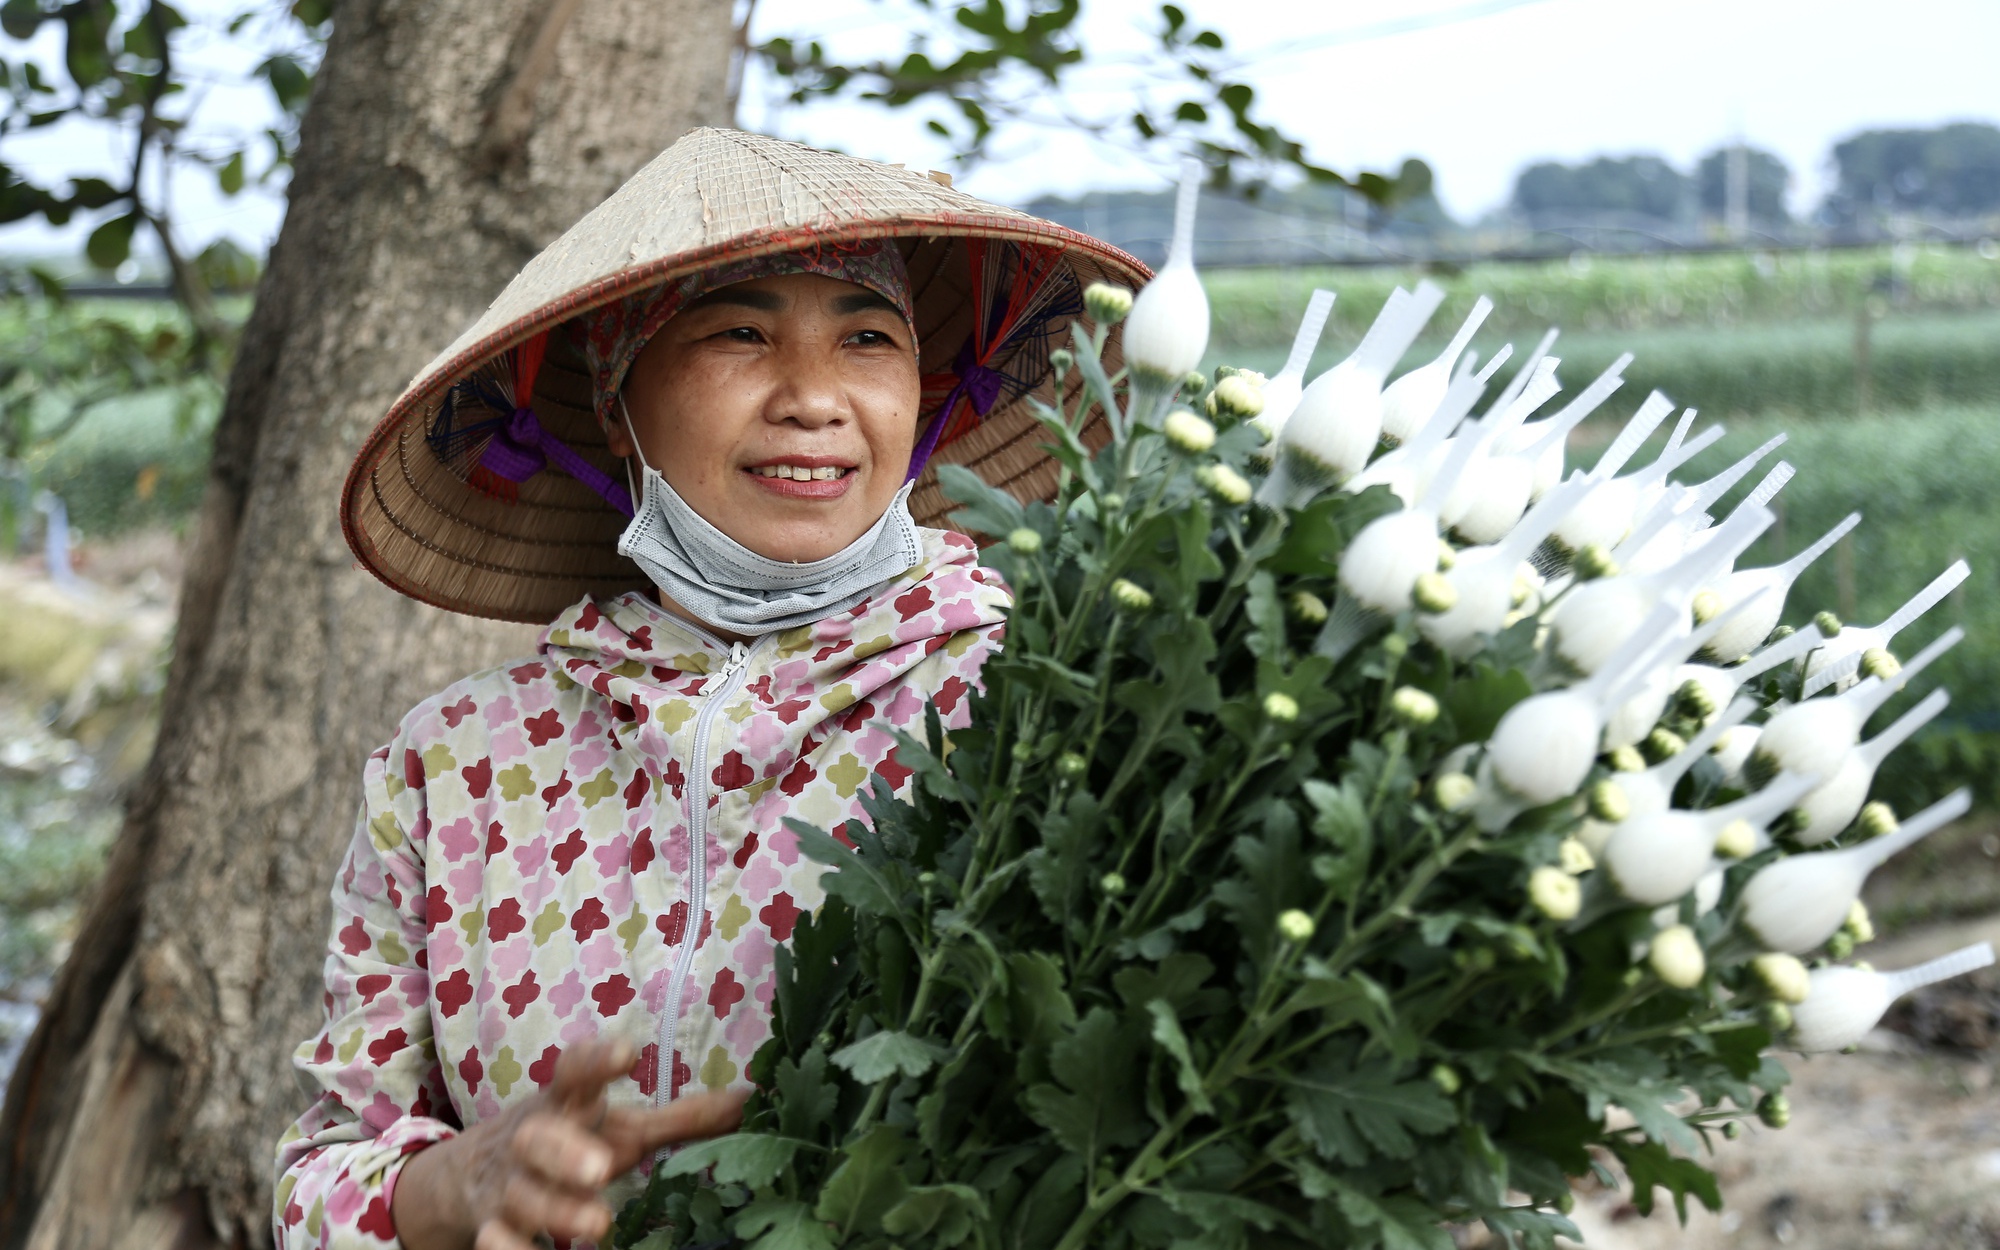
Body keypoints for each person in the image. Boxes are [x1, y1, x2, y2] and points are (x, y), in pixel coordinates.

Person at [275, 128, 1147, 1250]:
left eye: (866, 338)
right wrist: (456, 1183)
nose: (813, 399)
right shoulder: (453, 763)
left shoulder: (1032, 702)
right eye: (740, 332)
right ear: (616, 398)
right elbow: (323, 1172)